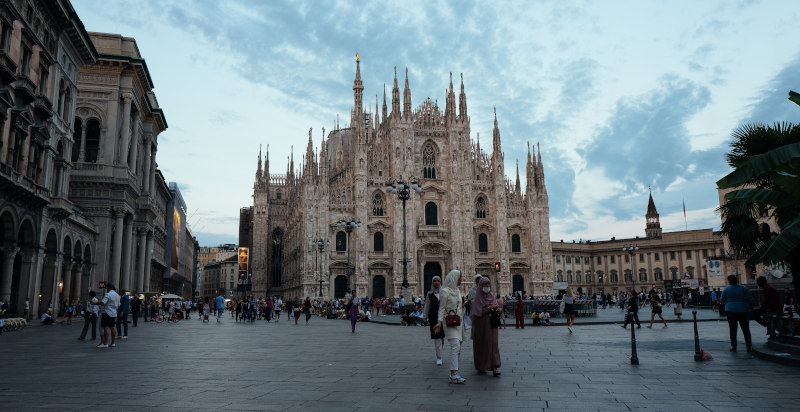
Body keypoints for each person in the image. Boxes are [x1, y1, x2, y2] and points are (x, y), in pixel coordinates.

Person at [433, 270, 467, 384]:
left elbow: (459, 306)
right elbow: (441, 309)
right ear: (454, 278)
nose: (461, 280)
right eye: (460, 278)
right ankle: (453, 375)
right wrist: (439, 322)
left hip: (459, 322)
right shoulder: (444, 291)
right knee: (455, 345)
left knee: (457, 347)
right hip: (449, 322)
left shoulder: (457, 291)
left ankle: (455, 372)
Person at [470, 277, 502, 376]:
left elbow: (496, 305)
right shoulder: (477, 297)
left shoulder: (491, 295)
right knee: (483, 345)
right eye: (485, 285)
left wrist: (497, 309)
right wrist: (488, 308)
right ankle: (482, 366)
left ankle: (495, 366)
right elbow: (476, 312)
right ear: (480, 286)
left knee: (493, 344)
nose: (487, 287)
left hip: (492, 324)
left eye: (488, 285)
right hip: (482, 325)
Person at [721, 275, 753, 352]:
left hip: (730, 310)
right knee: (745, 329)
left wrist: (728, 302)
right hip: (742, 309)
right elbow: (750, 298)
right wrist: (750, 306)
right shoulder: (743, 288)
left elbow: (722, 299)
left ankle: (734, 346)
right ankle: (748, 346)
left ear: (729, 281)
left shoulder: (727, 288)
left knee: (732, 329)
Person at [422, 275, 446, 365]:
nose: (436, 282)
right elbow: (427, 306)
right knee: (437, 337)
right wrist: (424, 317)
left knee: (442, 337)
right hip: (434, 317)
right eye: (434, 281)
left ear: (440, 282)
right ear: (432, 282)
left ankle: (439, 352)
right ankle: (439, 357)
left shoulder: (444, 293)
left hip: (444, 317)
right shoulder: (429, 293)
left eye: (438, 281)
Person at [95, 283, 120, 348]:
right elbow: (118, 304)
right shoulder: (117, 295)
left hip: (106, 312)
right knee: (112, 327)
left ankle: (105, 343)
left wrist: (96, 303)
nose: (106, 289)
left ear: (109, 288)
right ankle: (113, 342)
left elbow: (103, 303)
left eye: (107, 288)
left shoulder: (108, 294)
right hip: (114, 313)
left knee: (106, 327)